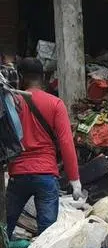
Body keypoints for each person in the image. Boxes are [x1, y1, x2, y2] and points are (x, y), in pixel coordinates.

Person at [6, 57, 80, 238]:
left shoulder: (11, 103)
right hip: (46, 175)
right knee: (47, 236)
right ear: (43, 76)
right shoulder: (55, 103)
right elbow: (66, 143)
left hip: (18, 173)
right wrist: (74, 180)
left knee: (4, 227)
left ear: (21, 76)